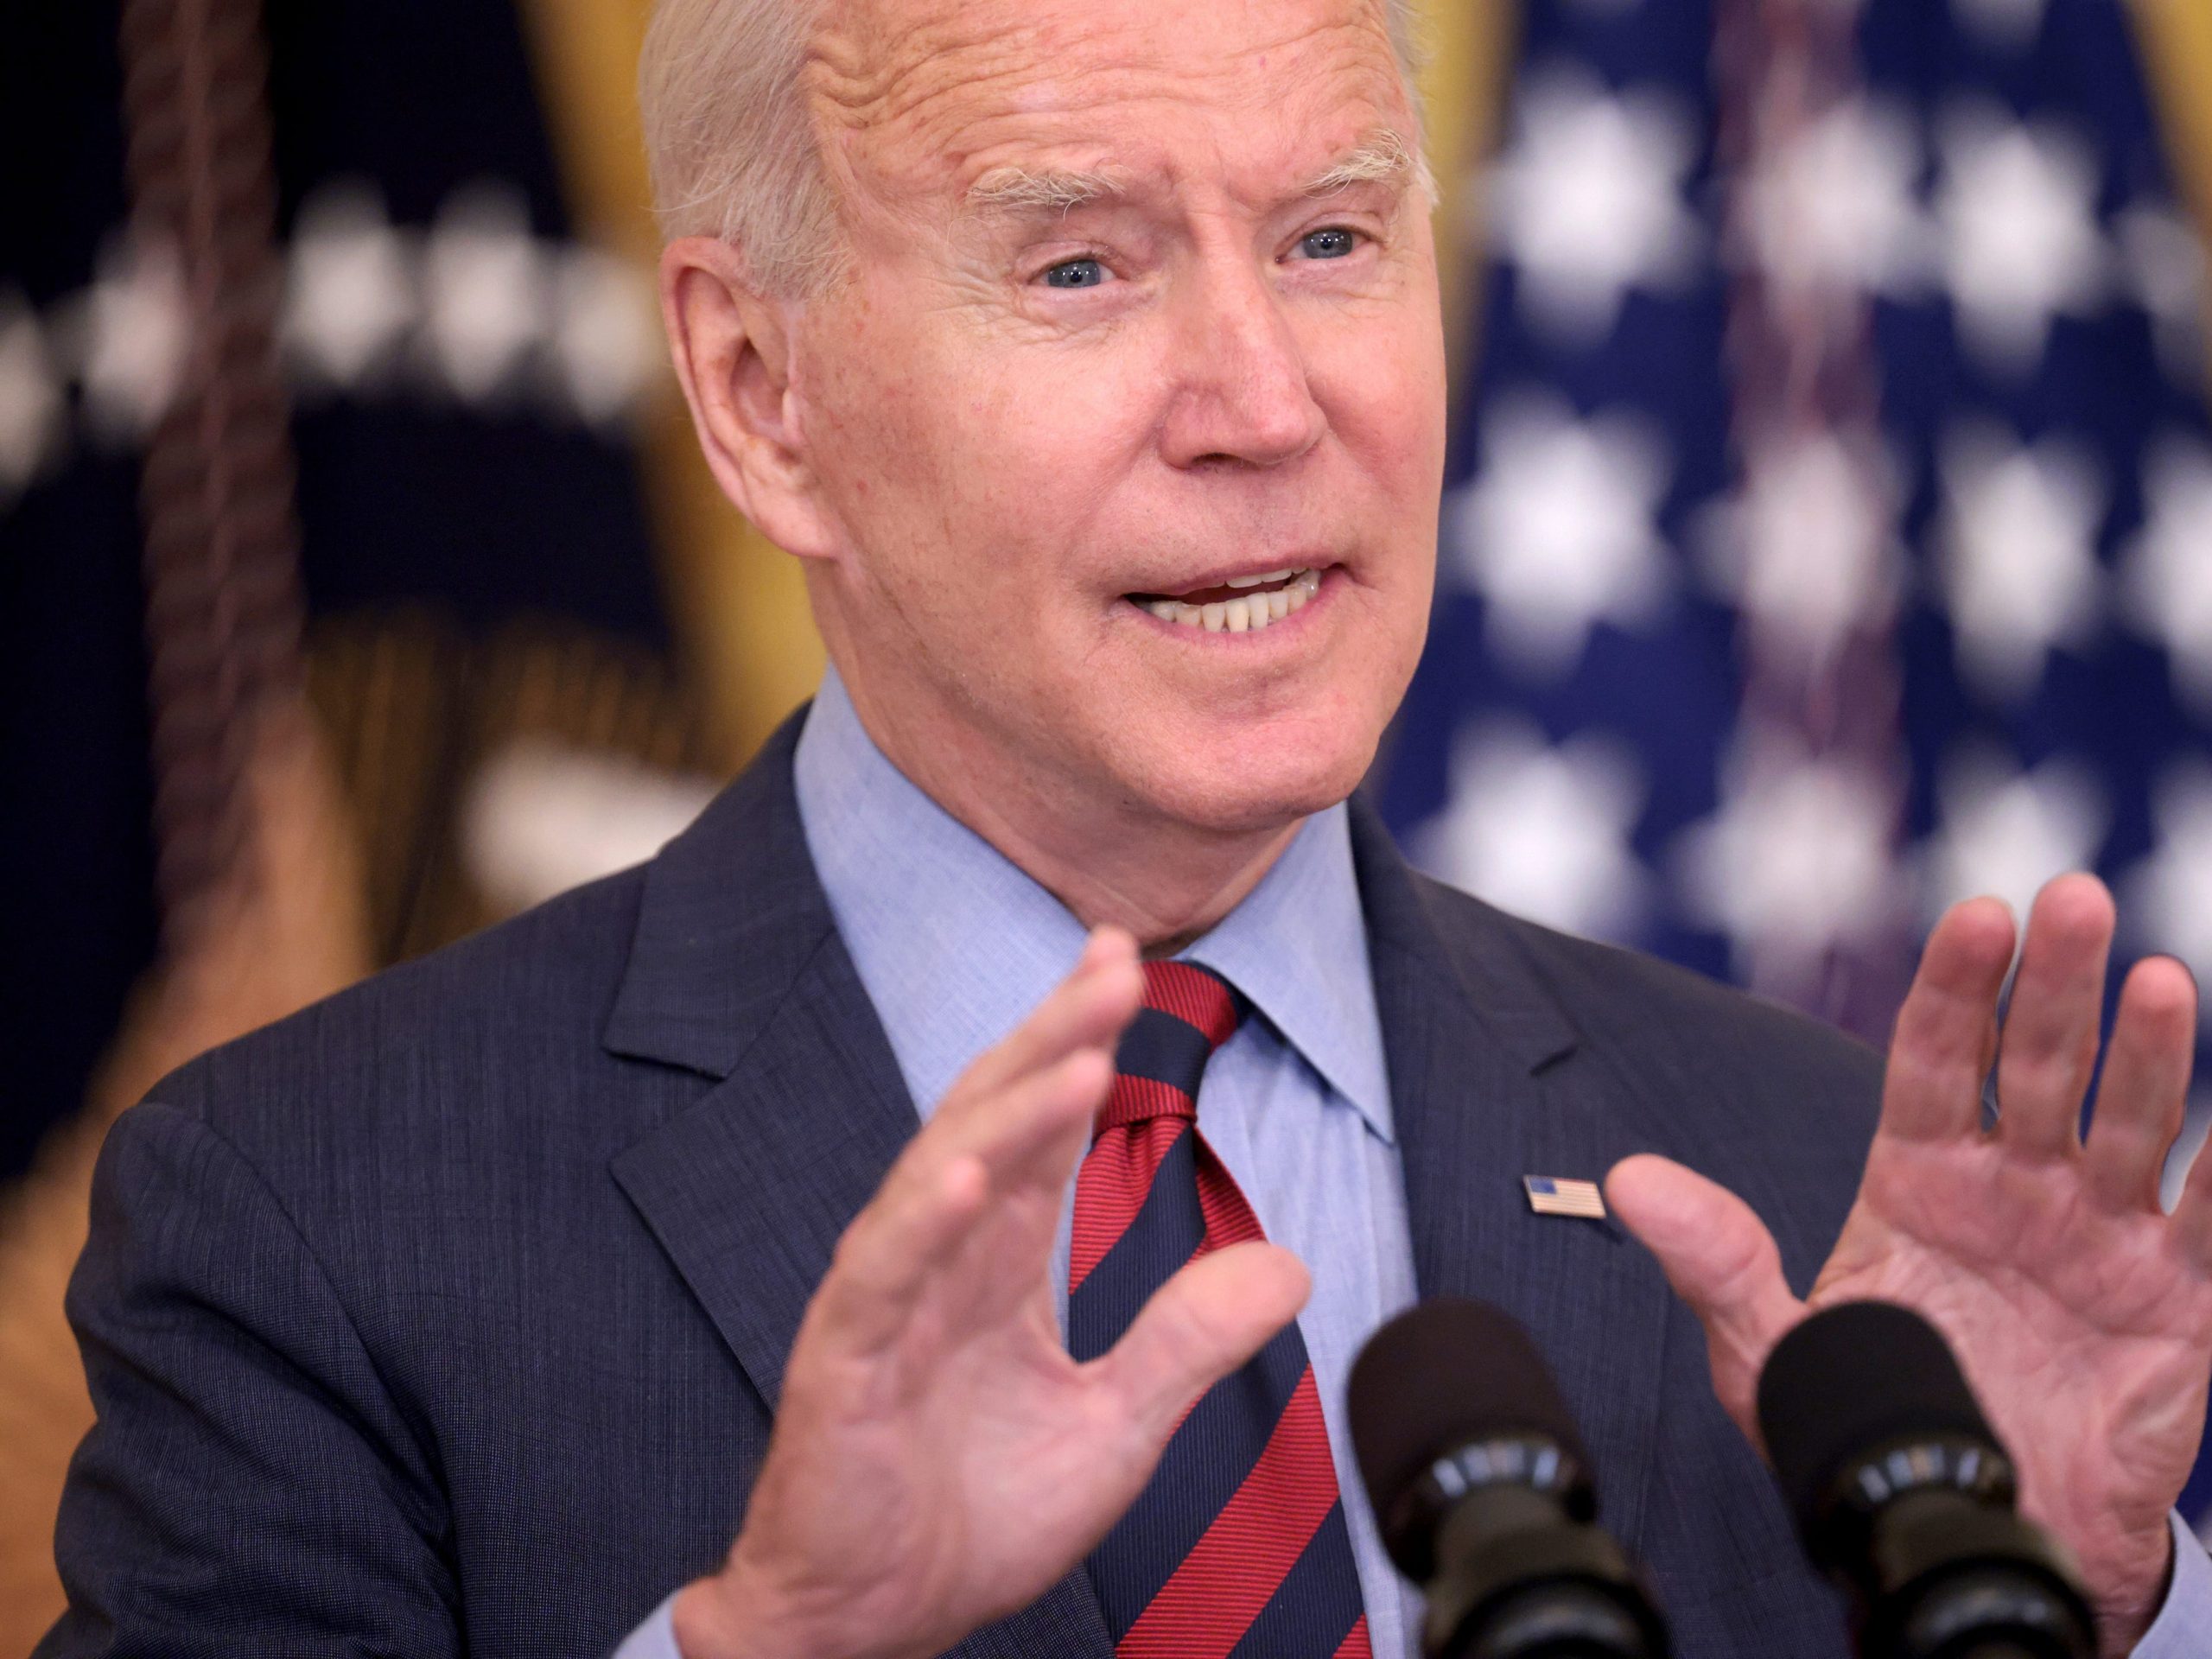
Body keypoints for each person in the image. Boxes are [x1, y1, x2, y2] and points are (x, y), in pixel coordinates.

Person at [39, 0, 2212, 1655]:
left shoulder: (1805, 1186)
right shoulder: (303, 1226)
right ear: (754, 390)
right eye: (1080, 268)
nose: (1269, 405)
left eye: (1333, 237)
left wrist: (2083, 1611)